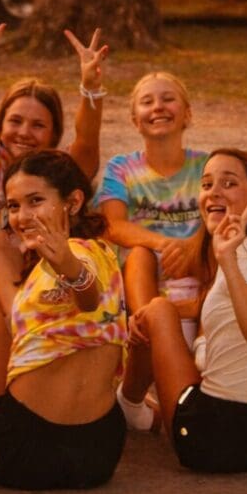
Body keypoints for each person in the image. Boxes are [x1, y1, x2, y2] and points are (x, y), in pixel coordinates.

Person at [121, 149, 247, 473]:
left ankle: (128, 406)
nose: (214, 192)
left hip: (217, 439)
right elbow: (227, 305)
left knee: (159, 308)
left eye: (229, 183)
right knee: (157, 312)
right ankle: (131, 405)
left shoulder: (244, 254)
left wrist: (227, 263)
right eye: (207, 184)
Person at [0, 151, 128, 489]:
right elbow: (21, 320)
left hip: (26, 454)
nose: (22, 216)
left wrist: (68, 266)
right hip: (99, 454)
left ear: (73, 202)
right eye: (13, 206)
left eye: (35, 201)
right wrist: (1, 257)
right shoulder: (102, 252)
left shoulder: (78, 255)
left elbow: (88, 294)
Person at [0, 16, 109, 305]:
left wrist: (90, 88)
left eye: (37, 125)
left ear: (54, 133)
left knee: (7, 242)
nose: (23, 132)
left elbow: (86, 141)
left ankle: (17, 314)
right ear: (0, 124)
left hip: (49, 267)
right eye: (15, 121)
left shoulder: (59, 168)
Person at [96, 71, 207, 314]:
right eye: (147, 102)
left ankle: (207, 322)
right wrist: (167, 244)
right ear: (135, 120)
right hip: (145, 269)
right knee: (139, 254)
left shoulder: (207, 166)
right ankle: (147, 324)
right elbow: (113, 225)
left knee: (218, 250)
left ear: (187, 114)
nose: (158, 107)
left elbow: (223, 216)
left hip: (197, 260)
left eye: (168, 99)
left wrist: (191, 248)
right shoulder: (120, 167)